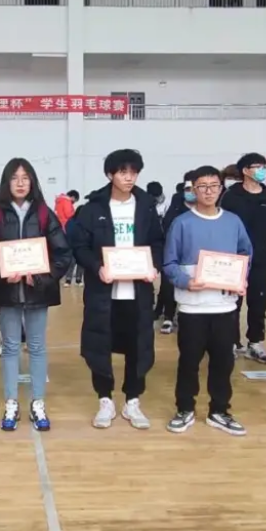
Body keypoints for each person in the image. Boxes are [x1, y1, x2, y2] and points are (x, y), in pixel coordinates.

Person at [0, 159, 71, 431]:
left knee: (37, 347)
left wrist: (40, 278)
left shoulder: (44, 213)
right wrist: (2, 273)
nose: (20, 183)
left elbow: (63, 254)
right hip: (7, 293)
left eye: (25, 177)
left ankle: (38, 402)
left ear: (32, 182)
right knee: (10, 348)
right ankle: (11, 402)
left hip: (38, 293)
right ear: (6, 182)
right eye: (14, 178)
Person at [69, 149, 165, 430]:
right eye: (123, 172)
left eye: (134, 172)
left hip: (137, 293)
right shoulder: (93, 208)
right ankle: (105, 400)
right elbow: (80, 246)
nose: (129, 177)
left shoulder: (146, 206)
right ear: (110, 174)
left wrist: (154, 265)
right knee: (99, 345)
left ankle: (132, 401)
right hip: (103, 293)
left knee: (139, 346)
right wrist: (96, 266)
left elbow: (158, 241)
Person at [162, 165, 252, 435]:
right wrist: (186, 281)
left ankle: (219, 410)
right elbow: (169, 263)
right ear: (193, 190)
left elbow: (246, 254)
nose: (209, 191)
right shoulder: (181, 223)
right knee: (189, 361)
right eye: (202, 186)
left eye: (214, 186)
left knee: (224, 362)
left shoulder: (233, 222)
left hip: (225, 306)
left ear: (221, 189)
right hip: (193, 307)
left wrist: (242, 278)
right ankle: (185, 408)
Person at [220, 152, 266, 363]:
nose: (262, 170)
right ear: (245, 171)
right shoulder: (230, 196)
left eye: (264, 166)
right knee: (232, 302)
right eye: (257, 166)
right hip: (234, 258)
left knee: (259, 301)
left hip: (261, 258)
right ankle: (231, 342)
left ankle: (255, 342)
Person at [156, 173, 195, 334]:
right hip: (175, 252)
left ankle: (187, 318)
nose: (190, 192)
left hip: (195, 255)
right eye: (187, 189)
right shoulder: (177, 203)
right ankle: (168, 317)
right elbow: (167, 225)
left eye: (193, 188)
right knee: (169, 285)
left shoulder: (205, 206)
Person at [54, 189, 80, 285]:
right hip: (67, 229)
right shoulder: (67, 202)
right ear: (73, 197)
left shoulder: (58, 202)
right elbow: (69, 215)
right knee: (71, 255)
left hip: (59, 229)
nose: (74, 203)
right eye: (75, 200)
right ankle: (70, 277)